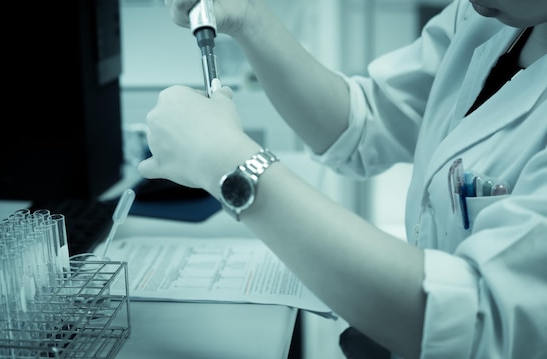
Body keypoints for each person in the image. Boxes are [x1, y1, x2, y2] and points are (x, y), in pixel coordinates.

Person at [138, 0, 547, 357]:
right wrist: (248, 15)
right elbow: (362, 124)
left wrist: (231, 164)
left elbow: (481, 322)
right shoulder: (488, 19)